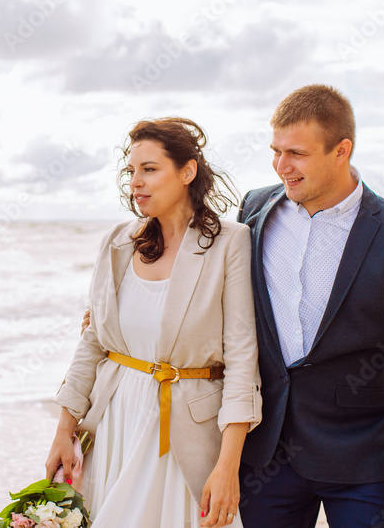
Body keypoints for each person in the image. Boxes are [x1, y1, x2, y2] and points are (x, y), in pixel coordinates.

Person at [236, 85, 384, 528]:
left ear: (341, 150)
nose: (282, 167)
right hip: (266, 457)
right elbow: (217, 301)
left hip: (366, 462)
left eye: (296, 153)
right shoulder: (254, 210)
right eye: (275, 151)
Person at [47, 117, 262, 528]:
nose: (135, 183)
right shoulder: (118, 242)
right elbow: (93, 342)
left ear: (187, 171)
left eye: (149, 169)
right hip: (114, 425)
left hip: (186, 437)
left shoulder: (230, 242)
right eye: (131, 172)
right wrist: (64, 428)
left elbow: (241, 358)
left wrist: (228, 465)